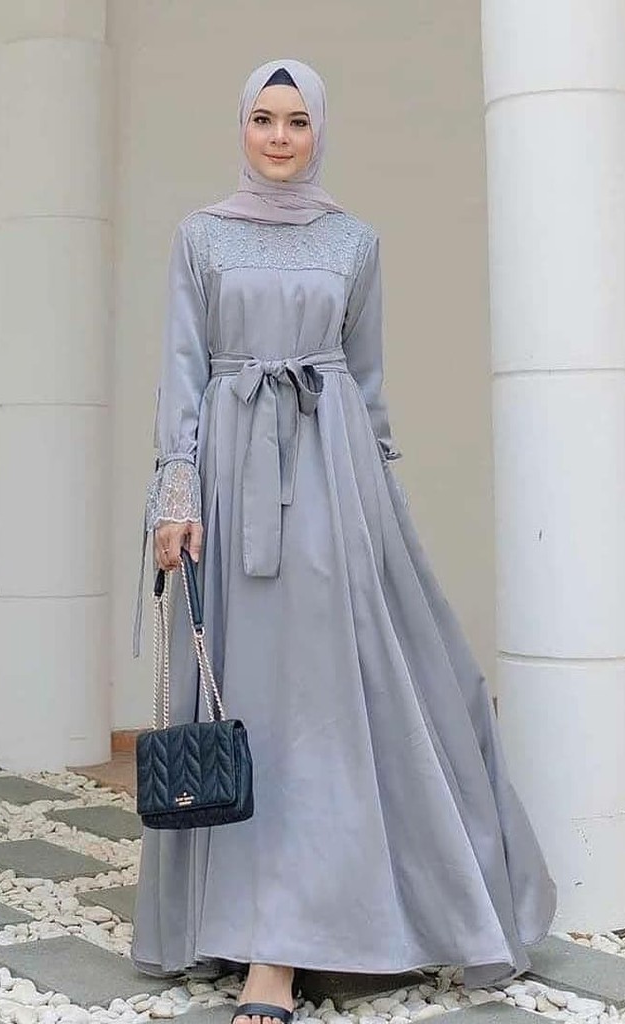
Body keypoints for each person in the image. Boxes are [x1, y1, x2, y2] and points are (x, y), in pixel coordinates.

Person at [131, 58, 556, 1024]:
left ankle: (306, 933)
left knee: (331, 701)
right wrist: (175, 494)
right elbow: (182, 372)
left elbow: (366, 383)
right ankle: (248, 931)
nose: (279, 138)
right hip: (229, 485)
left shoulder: (354, 242)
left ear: (319, 131)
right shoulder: (200, 236)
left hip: (333, 479)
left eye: (297, 122)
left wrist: (378, 501)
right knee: (249, 697)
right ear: (242, 127)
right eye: (263, 119)